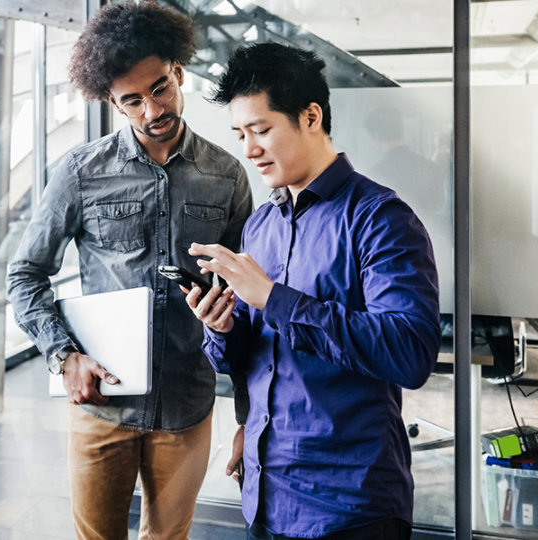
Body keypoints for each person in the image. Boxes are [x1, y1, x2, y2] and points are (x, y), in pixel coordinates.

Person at [6, 2, 253, 539]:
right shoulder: (79, 172)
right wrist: (62, 355)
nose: (151, 111)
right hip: (102, 406)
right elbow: (24, 274)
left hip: (188, 402)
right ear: (112, 103)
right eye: (132, 101)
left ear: (179, 73)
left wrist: (226, 318)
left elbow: (248, 292)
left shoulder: (227, 175)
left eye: (160, 89)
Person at [183, 43, 440, 539]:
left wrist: (272, 297)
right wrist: (224, 326)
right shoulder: (261, 226)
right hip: (264, 493)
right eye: (240, 134)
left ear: (311, 116)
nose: (249, 149)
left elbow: (410, 354)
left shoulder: (381, 220)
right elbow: (250, 357)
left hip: (350, 505)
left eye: (260, 130)